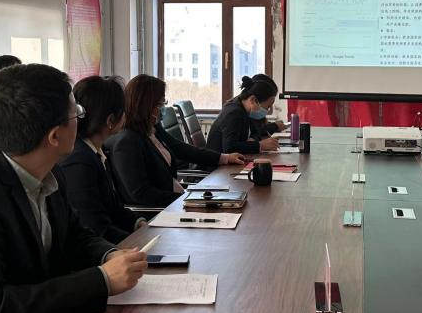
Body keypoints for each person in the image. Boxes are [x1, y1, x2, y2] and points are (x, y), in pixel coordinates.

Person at [0, 64, 147, 313]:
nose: (81, 119)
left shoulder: (48, 170)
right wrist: (101, 281)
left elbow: (74, 235)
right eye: (76, 113)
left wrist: (109, 254)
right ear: (55, 136)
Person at [107, 74, 244, 207]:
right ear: (146, 106)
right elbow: (141, 194)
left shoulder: (152, 128)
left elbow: (180, 148)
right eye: (160, 103)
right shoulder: (127, 143)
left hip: (175, 201)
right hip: (158, 211)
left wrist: (224, 158)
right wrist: (185, 199)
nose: (163, 108)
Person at [59, 76, 147, 244]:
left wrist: (138, 223)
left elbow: (113, 207)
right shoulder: (79, 161)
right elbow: (95, 228)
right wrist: (139, 243)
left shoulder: (95, 152)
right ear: (110, 120)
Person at [207, 74, 282, 154]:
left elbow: (256, 133)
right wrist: (260, 145)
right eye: (267, 107)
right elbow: (230, 148)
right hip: (217, 161)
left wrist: (253, 141)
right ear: (253, 100)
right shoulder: (234, 113)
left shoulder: (244, 110)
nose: (267, 110)